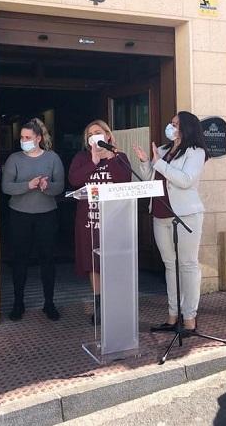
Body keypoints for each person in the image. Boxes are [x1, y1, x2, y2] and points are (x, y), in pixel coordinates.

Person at [132, 111, 210, 332]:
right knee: (169, 265)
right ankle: (172, 315)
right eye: (171, 123)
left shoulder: (196, 152)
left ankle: (190, 318)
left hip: (185, 216)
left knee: (187, 265)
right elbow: (150, 180)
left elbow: (185, 180)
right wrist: (146, 162)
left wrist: (159, 164)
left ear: (186, 127)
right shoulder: (164, 151)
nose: (171, 126)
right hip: (159, 214)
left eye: (176, 123)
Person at [68, 120, 132, 324]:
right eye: (89, 134)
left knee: (112, 263)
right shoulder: (82, 157)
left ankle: (115, 305)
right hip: (89, 220)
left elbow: (124, 180)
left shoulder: (120, 157)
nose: (93, 136)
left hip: (113, 221)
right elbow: (74, 180)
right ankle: (99, 307)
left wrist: (111, 158)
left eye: (97, 132)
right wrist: (93, 161)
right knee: (93, 265)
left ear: (108, 136)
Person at [1, 118, 65, 321]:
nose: (23, 140)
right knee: (20, 260)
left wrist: (47, 187)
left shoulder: (52, 158)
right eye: (22, 137)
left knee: (47, 260)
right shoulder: (14, 159)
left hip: (47, 214)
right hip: (19, 215)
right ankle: (18, 303)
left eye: (27, 137)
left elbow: (60, 186)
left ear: (38, 138)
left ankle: (49, 303)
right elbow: (6, 187)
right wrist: (27, 185)